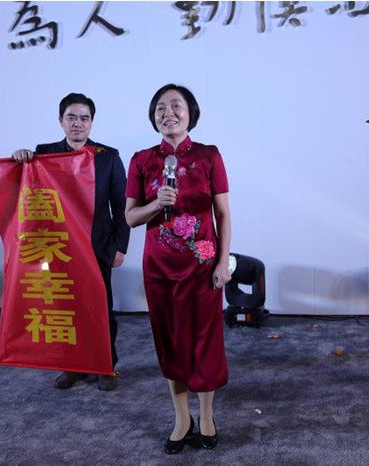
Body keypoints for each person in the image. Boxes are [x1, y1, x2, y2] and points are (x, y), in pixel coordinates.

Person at [124, 84, 232, 454]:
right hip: (159, 268)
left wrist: (223, 262)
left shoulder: (208, 155)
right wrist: (157, 204)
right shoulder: (141, 160)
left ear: (190, 113)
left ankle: (207, 415)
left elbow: (223, 214)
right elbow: (130, 217)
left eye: (176, 106)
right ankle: (181, 417)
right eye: (160, 107)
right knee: (170, 341)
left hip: (202, 267)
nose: (168, 113)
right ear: (153, 116)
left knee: (204, 340)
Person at [12, 92, 130, 391]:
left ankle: (105, 365)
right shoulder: (43, 154)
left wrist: (119, 247)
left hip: (97, 245)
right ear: (61, 121)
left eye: (84, 118)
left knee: (100, 308)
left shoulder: (108, 156)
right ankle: (73, 366)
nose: (78, 123)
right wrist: (20, 159)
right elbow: (26, 188)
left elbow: (121, 205)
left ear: (91, 123)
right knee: (64, 307)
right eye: (71, 117)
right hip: (58, 246)